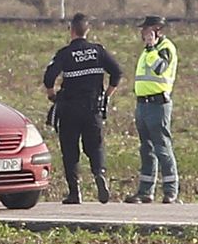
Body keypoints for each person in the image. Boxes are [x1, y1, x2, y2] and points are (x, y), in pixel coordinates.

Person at [42, 12, 122, 204]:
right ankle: (99, 174)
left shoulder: (65, 53)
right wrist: (106, 94)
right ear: (88, 30)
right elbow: (117, 72)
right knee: (95, 146)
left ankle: (74, 192)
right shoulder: (98, 51)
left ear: (71, 31)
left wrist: (52, 95)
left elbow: (49, 77)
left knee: (70, 150)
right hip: (92, 108)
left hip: (69, 109)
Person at [126, 15, 179, 203]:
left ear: (156, 30)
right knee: (146, 149)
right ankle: (145, 192)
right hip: (143, 104)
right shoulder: (149, 51)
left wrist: (150, 47)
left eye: (146, 29)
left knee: (162, 148)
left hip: (158, 105)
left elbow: (160, 68)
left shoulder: (165, 48)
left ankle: (170, 191)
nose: (142, 33)